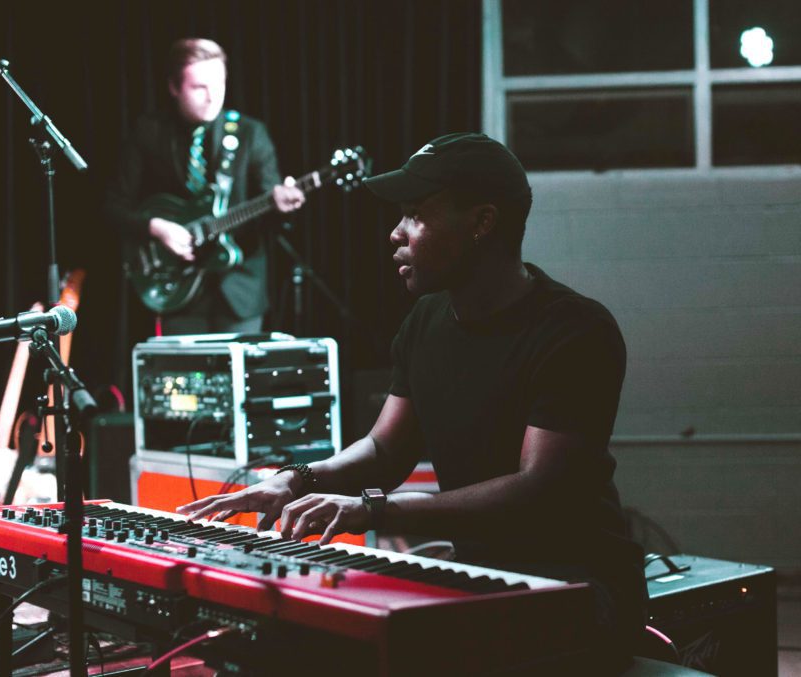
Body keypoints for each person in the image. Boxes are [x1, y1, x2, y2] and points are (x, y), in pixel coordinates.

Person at [178, 133, 648, 671]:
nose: (394, 234)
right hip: (480, 575)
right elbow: (384, 450)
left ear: (482, 222)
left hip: (579, 586)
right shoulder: (425, 323)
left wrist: (374, 509)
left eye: (416, 215)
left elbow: (536, 487)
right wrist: (296, 479)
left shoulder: (574, 332)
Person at [105, 38, 305, 334]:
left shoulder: (250, 134)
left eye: (219, 84)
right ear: (174, 87)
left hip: (239, 292)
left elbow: (273, 218)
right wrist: (157, 228)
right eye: (199, 87)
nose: (212, 97)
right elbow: (113, 207)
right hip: (178, 293)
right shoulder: (149, 132)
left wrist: (285, 205)